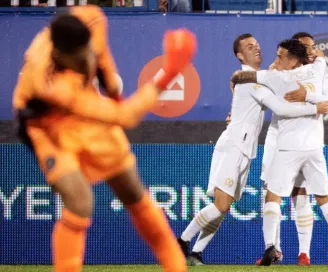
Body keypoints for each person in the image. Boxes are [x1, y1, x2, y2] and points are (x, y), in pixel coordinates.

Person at [12, 6, 197, 272]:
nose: (88, 57)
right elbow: (126, 117)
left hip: (87, 105)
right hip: (48, 126)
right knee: (80, 201)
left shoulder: (92, 18)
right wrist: (169, 71)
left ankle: (175, 266)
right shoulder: (50, 85)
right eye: (80, 57)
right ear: (61, 56)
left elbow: (102, 58)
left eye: (89, 48)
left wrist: (110, 87)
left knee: (132, 189)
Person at [177, 33, 328, 266]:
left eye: (257, 45)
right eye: (249, 47)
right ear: (240, 55)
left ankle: (196, 252)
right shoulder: (250, 81)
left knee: (223, 208)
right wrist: (315, 107)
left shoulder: (255, 78)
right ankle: (180, 243)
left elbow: (273, 82)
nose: (256, 49)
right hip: (234, 147)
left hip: (245, 150)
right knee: (221, 205)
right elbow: (281, 107)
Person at [230, 38, 328, 266]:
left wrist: (307, 98)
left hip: (302, 141)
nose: (275, 58)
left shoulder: (304, 73)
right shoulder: (282, 71)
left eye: (311, 47)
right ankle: (274, 249)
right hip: (278, 139)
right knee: (272, 191)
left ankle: (303, 253)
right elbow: (261, 100)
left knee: (300, 195)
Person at [257, 32, 328, 266]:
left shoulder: (279, 79)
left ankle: (270, 248)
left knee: (273, 195)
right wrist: (312, 98)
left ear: (293, 59)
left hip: (289, 147)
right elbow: (321, 62)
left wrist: (305, 95)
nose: (276, 61)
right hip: (313, 146)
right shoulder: (318, 68)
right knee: (323, 196)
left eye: (280, 57)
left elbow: (255, 79)